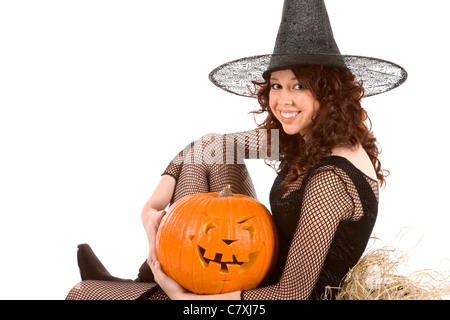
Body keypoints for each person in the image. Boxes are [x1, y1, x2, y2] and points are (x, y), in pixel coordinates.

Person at [66, 0, 407, 300]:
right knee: (212, 153)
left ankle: (148, 288)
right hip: (256, 263)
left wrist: (192, 303)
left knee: (82, 295)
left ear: (330, 93)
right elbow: (212, 146)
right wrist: (151, 207)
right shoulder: (307, 137)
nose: (282, 100)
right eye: (277, 85)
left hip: (265, 296)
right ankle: (147, 278)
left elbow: (293, 294)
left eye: (299, 86)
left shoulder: (331, 178)